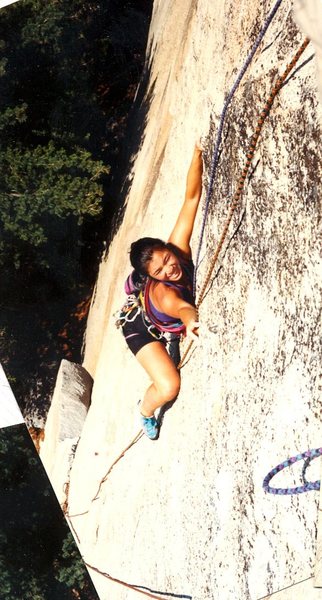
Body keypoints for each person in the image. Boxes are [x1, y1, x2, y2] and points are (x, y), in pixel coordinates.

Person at [119, 142, 203, 439]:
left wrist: (196, 154)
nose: (170, 269)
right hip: (138, 326)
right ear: (151, 277)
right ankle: (144, 411)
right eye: (159, 271)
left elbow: (191, 198)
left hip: (160, 315)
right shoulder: (164, 292)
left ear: (166, 248)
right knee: (169, 386)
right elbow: (180, 307)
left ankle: (169, 338)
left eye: (166, 259)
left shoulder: (177, 248)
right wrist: (191, 320)